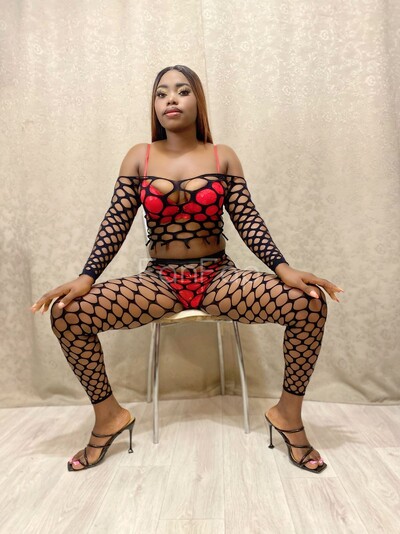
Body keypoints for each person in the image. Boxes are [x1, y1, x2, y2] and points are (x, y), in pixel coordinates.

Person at [31, 65, 343, 473]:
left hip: (218, 278)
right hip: (162, 282)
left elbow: (248, 220)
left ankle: (288, 414)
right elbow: (116, 222)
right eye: (161, 94)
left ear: (198, 100)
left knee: (310, 303)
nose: (171, 99)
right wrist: (86, 277)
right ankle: (109, 417)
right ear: (154, 105)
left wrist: (283, 268)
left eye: (182, 91)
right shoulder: (139, 156)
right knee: (66, 313)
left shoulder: (222, 155)